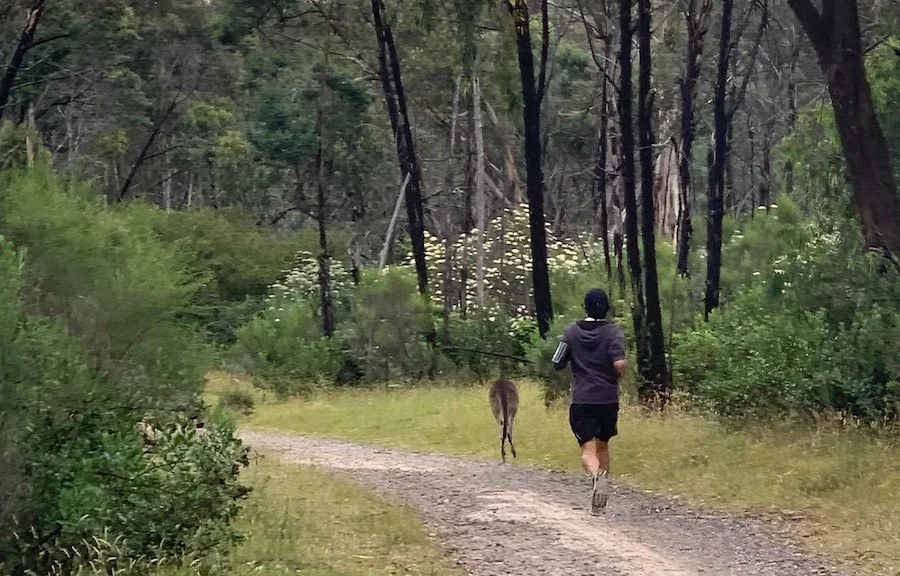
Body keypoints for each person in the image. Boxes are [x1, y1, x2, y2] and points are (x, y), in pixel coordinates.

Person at [551, 288, 627, 514]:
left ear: (585, 306)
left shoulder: (571, 331)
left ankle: (596, 478)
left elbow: (557, 361)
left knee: (587, 448)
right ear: (606, 307)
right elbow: (619, 364)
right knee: (603, 445)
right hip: (607, 399)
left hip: (583, 398)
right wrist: (620, 375)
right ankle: (601, 501)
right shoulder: (613, 332)